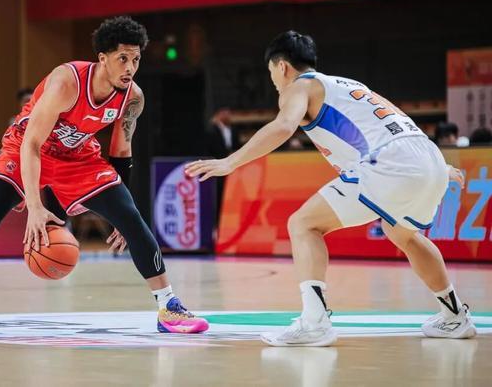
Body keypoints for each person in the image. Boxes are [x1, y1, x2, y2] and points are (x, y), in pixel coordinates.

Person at [186, 31, 476, 346]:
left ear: (282, 67)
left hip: (391, 164)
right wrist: (437, 167)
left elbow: (284, 126)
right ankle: (454, 316)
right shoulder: (348, 85)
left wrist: (231, 162)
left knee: (303, 224)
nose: (273, 80)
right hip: (428, 158)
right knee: (403, 234)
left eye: (271, 72)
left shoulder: (300, 86)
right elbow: (394, 125)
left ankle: (314, 322)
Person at [0, 16, 208, 337]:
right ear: (102, 58)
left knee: (131, 218)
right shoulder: (67, 82)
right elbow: (32, 144)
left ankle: (169, 306)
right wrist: (34, 206)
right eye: (122, 58)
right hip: (25, 148)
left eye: (135, 59)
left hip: (77, 157)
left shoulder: (132, 97)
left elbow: (121, 150)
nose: (130, 67)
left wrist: (120, 214)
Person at [205, 107, 239, 227]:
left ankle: (228, 222)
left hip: (231, 164)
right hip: (217, 164)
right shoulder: (211, 129)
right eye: (225, 112)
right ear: (219, 114)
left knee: (231, 194)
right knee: (218, 195)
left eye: (229, 113)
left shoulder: (233, 129)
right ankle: (216, 223)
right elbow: (208, 148)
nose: (228, 115)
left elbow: (236, 145)